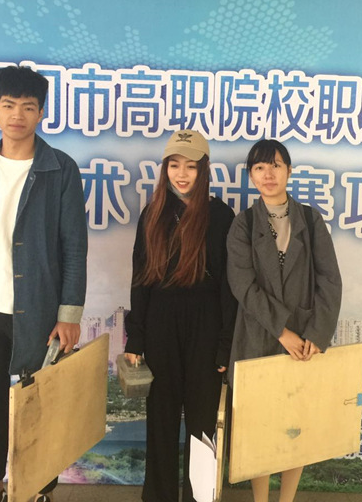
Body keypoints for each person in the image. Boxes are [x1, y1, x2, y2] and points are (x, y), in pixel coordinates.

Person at [0, 66, 88, 502]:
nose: (17, 116)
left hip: (36, 308)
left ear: (41, 113)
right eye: (8, 105)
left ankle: (36, 492)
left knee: (38, 407)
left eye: (28, 107)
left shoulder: (60, 169)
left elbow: (74, 245)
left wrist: (69, 314)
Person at [124, 129, 236, 502]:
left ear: (204, 170)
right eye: (174, 165)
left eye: (190, 166)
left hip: (206, 325)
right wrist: (136, 338)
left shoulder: (221, 216)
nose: (182, 174)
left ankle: (198, 497)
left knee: (202, 426)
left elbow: (229, 287)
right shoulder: (152, 214)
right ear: (165, 169)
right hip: (160, 323)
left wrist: (225, 344)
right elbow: (140, 278)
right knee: (161, 419)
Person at [226, 139, 342, 502]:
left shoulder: (310, 220)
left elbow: (330, 281)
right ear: (251, 176)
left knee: (296, 427)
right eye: (260, 167)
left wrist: (316, 335)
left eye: (275, 165)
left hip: (303, 342)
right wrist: (281, 330)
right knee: (258, 429)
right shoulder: (243, 224)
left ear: (289, 171)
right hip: (257, 337)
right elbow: (242, 286)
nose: (268, 174)